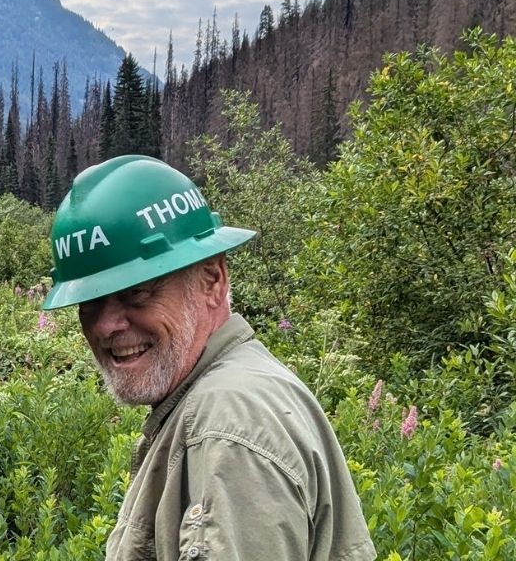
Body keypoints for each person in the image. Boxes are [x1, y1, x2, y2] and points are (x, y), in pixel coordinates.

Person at [42, 155, 374, 560]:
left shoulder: (227, 428)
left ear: (212, 280)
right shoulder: (233, 392)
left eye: (138, 290)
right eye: (90, 301)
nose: (106, 325)